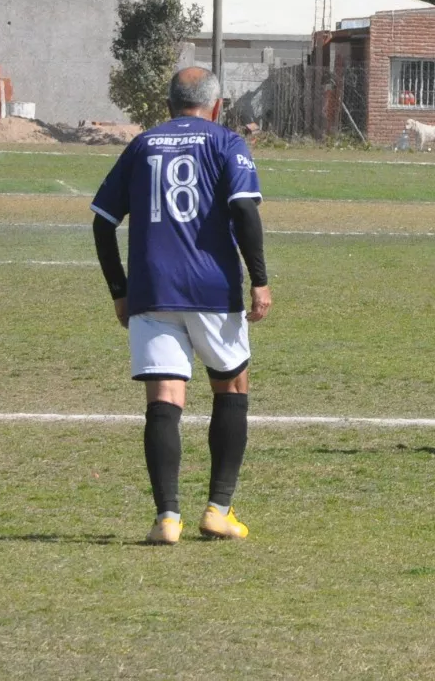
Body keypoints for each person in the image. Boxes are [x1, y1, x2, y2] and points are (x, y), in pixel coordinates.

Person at [91, 68, 272, 545]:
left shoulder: (142, 145)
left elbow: (102, 222)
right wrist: (260, 280)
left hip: (152, 290)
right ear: (216, 105)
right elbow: (245, 212)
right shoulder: (227, 143)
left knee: (164, 401)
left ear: (168, 103)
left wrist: (119, 289)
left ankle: (166, 519)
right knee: (232, 386)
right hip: (213, 290)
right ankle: (217, 510)